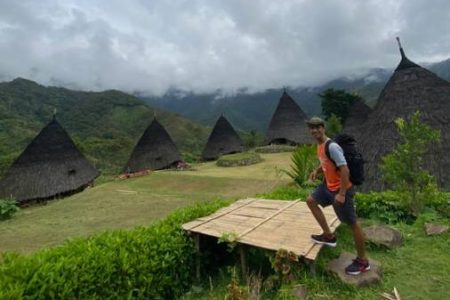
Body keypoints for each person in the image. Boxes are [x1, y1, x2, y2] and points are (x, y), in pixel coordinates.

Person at [305, 117, 370, 275]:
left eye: (317, 127)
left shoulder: (332, 146)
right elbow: (326, 162)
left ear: (323, 128)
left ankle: (363, 261)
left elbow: (345, 170)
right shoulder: (320, 146)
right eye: (312, 128)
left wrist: (341, 194)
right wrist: (316, 171)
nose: (314, 131)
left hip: (341, 190)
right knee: (311, 201)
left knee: (352, 223)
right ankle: (328, 235)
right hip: (327, 186)